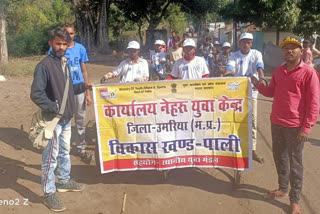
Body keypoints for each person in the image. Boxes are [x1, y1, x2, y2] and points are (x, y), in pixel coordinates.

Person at [250, 36, 319, 214]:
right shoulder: (279, 71)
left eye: (293, 48)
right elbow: (271, 91)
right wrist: (258, 85)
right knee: (279, 157)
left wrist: (306, 127)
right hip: (276, 122)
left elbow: (314, 103)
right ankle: (282, 188)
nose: (289, 51)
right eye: (286, 48)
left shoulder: (308, 73)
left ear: (301, 51)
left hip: (296, 126)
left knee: (295, 163)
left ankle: (295, 200)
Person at [31, 27, 85, 212]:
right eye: (58, 43)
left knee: (64, 152)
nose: (61, 47)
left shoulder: (65, 62)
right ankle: (49, 193)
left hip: (66, 119)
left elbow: (68, 88)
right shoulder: (44, 66)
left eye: (64, 44)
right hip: (52, 120)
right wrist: (54, 108)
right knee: (50, 157)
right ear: (51, 44)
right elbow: (36, 94)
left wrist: (86, 87)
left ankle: (63, 180)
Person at [49, 23, 92, 157]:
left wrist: (87, 93)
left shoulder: (80, 48)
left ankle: (81, 147)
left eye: (71, 33)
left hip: (79, 88)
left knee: (80, 118)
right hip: (63, 89)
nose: (69, 36)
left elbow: (84, 71)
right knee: (62, 119)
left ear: (75, 34)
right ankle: (62, 149)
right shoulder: (57, 49)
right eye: (66, 33)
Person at [225, 32, 265, 163]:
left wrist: (262, 77)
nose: (246, 44)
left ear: (251, 43)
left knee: (252, 121)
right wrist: (227, 73)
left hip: (252, 92)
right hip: (237, 93)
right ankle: (234, 145)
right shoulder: (234, 55)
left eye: (248, 42)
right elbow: (230, 67)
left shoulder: (256, 54)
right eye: (243, 42)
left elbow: (259, 66)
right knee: (234, 120)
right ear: (239, 43)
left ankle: (252, 149)